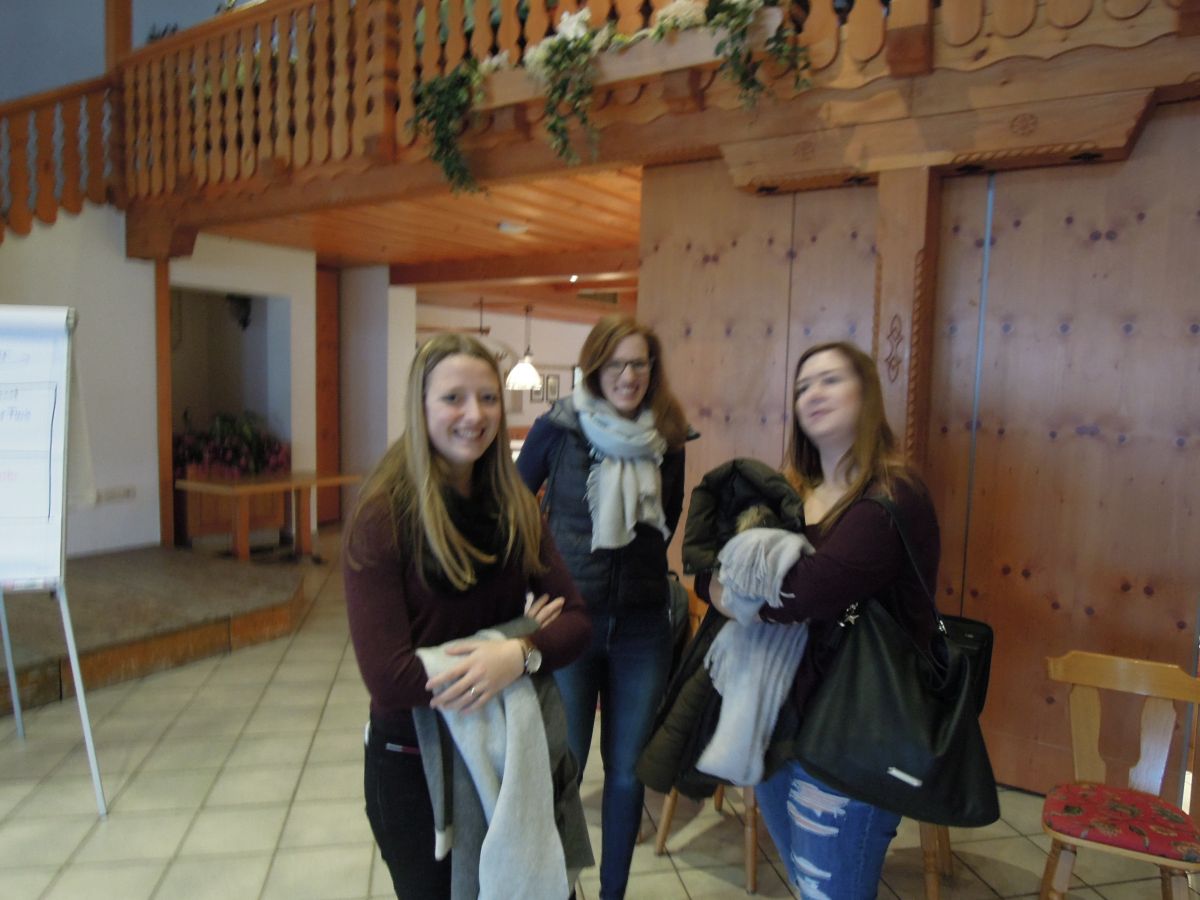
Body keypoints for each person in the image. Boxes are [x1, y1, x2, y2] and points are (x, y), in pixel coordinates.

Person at [343, 333, 593, 900]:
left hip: (509, 753)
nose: (474, 415)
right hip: (414, 763)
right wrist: (521, 637)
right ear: (421, 405)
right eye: (453, 398)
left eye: (487, 398)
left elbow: (577, 622)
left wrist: (518, 654)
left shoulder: (515, 505)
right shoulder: (384, 513)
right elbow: (388, 676)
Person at [705, 341, 941, 899]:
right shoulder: (793, 492)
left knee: (829, 888)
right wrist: (723, 583)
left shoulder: (891, 496)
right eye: (803, 385)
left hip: (852, 732)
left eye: (830, 380)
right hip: (780, 718)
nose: (813, 393)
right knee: (809, 883)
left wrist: (726, 592)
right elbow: (715, 565)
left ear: (867, 394)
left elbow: (802, 593)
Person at [516, 315, 692, 900]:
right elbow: (513, 507)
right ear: (594, 367)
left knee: (626, 773)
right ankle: (559, 889)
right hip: (571, 622)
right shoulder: (558, 427)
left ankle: (613, 894)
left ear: (652, 369)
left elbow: (662, 527)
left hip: (642, 626)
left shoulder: (668, 437)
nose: (628, 375)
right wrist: (537, 581)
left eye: (639, 363)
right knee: (562, 768)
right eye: (615, 363)